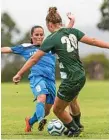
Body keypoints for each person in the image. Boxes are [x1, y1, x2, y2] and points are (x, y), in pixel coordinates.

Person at [12, 7, 109, 137]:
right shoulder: (72, 31)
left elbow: (34, 58)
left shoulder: (52, 38)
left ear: (49, 25)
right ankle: (77, 125)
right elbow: (93, 41)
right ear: (61, 23)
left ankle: (75, 129)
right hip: (81, 75)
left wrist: (19, 73)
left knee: (57, 109)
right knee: (73, 100)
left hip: (70, 78)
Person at [2, 12, 80, 133]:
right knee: (41, 96)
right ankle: (41, 119)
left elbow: (64, 33)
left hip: (50, 80)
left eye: (41, 34)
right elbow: (8, 49)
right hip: (37, 77)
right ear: (31, 36)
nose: (39, 37)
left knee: (48, 109)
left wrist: (72, 21)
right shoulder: (26, 47)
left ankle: (30, 121)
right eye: (36, 35)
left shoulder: (49, 43)